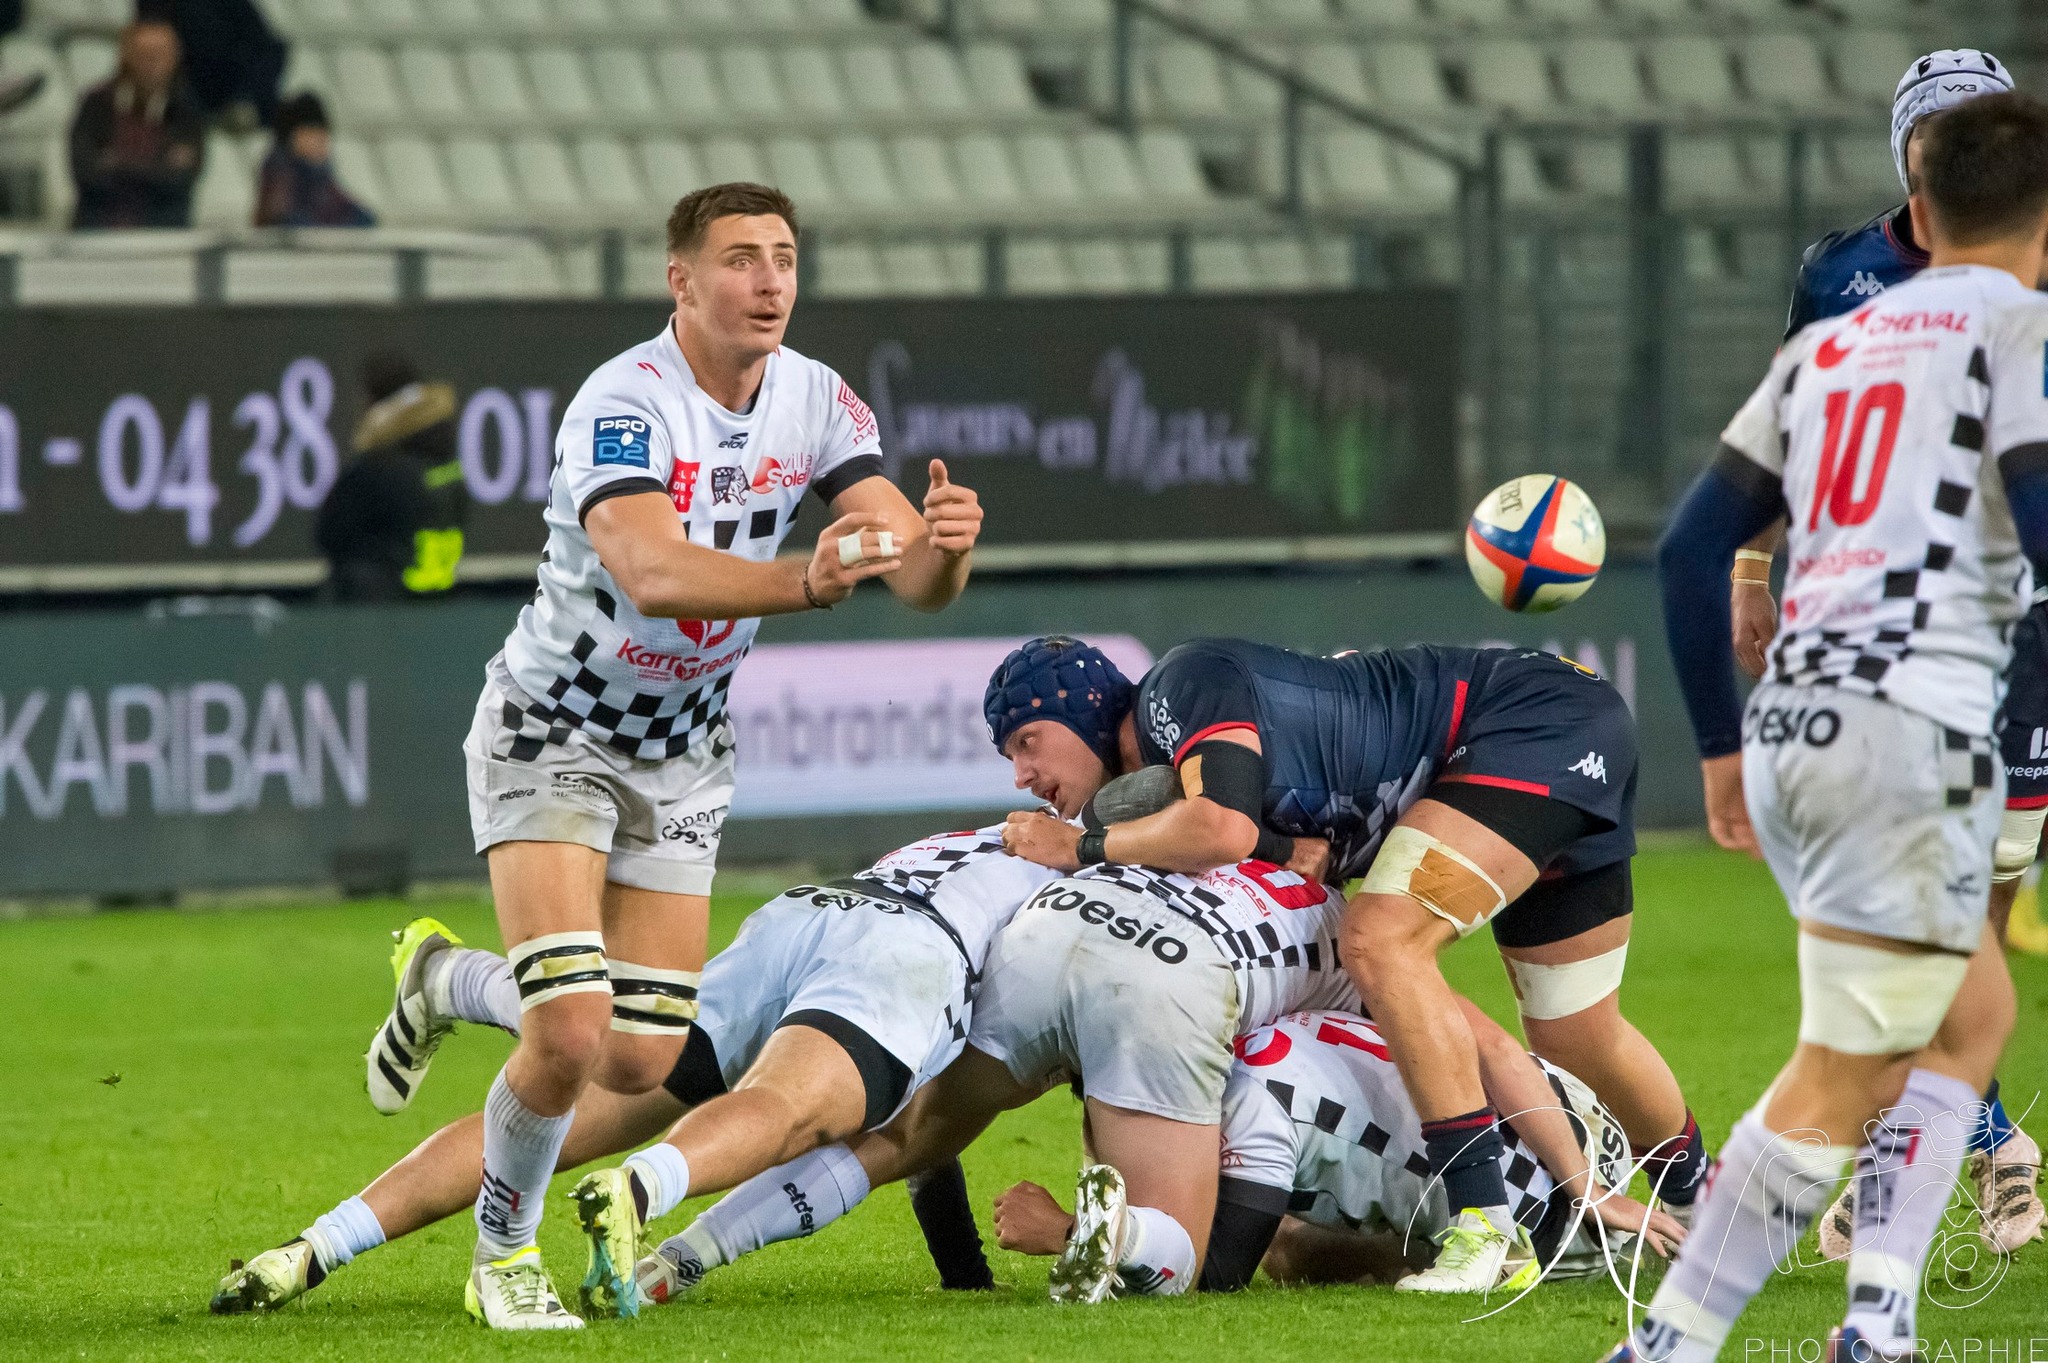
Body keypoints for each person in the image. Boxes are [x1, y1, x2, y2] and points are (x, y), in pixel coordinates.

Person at [436, 181, 982, 1329]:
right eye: (739, 258)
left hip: (682, 752)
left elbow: (907, 571)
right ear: (679, 279)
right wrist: (806, 580)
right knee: (571, 1028)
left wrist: (942, 549)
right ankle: (502, 1255)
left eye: (784, 256)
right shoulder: (624, 402)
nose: (770, 280)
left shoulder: (818, 399)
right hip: (558, 727)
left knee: (639, 1059)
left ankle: (448, 982)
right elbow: (652, 570)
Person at [1620, 92, 2048, 1363]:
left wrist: (1714, 745)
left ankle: (1876, 1321)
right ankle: (1670, 1343)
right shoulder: (2020, 332)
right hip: (1908, 724)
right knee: (1838, 1070)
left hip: (1799, 721)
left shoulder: (1827, 345)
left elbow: (1693, 549)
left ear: (1916, 214)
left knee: (1967, 1022)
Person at [991, 633, 1705, 1293]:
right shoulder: (1208, 776)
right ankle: (1705, 1204)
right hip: (1560, 728)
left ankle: (1484, 1223)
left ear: (1088, 711)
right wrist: (1585, 1182)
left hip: (1524, 723)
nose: (1024, 773)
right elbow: (1292, 850)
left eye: (1029, 741)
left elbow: (1222, 827)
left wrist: (1076, 847)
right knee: (1578, 1035)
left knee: (1381, 939)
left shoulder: (1175, 687)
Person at [211, 822, 1042, 1316]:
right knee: (791, 1109)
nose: (1020, 767)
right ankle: (641, 1194)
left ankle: (312, 1246)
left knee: (590, 1074)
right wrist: (967, 1270)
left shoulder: (993, 831)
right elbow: (931, 1124)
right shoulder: (1094, 866)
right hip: (905, 948)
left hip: (814, 910)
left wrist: (961, 1270)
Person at [1726, 46, 2043, 1260]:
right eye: (1926, 136)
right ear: (1903, 156)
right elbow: (1786, 436)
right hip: (1883, 642)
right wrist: (1756, 571)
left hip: (2013, 626)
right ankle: (1971, 1147)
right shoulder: (1836, 276)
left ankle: (1922, 1154)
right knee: (1922, 918)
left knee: (1973, 902)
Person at [988, 1009, 1682, 1293]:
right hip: (1567, 1114)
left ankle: (1449, 1248)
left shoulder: (1248, 1107)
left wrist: (1071, 1233)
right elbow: (1486, 1039)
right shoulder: (1270, 1005)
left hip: (1553, 1220)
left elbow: (1214, 1270)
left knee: (1278, 1248)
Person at [314, 354, 464, 602]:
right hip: (439, 602)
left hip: (377, 612)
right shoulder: (447, 464)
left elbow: (328, 533)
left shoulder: (375, 468)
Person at [67, 17, 204, 230]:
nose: (152, 63)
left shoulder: (186, 111)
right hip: (98, 235)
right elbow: (85, 172)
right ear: (126, 56)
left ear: (174, 59)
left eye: (160, 55)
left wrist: (116, 162)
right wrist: (157, 166)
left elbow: (181, 181)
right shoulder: (96, 105)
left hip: (163, 237)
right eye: (145, 55)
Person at [138, 0, 286, 132]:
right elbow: (150, 33)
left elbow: (263, 45)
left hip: (232, 83)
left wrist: (245, 96)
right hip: (184, 84)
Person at [255, 92, 373, 228]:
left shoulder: (320, 172)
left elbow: (343, 207)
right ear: (294, 137)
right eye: (313, 133)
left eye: (323, 134)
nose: (322, 141)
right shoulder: (280, 171)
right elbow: (280, 217)